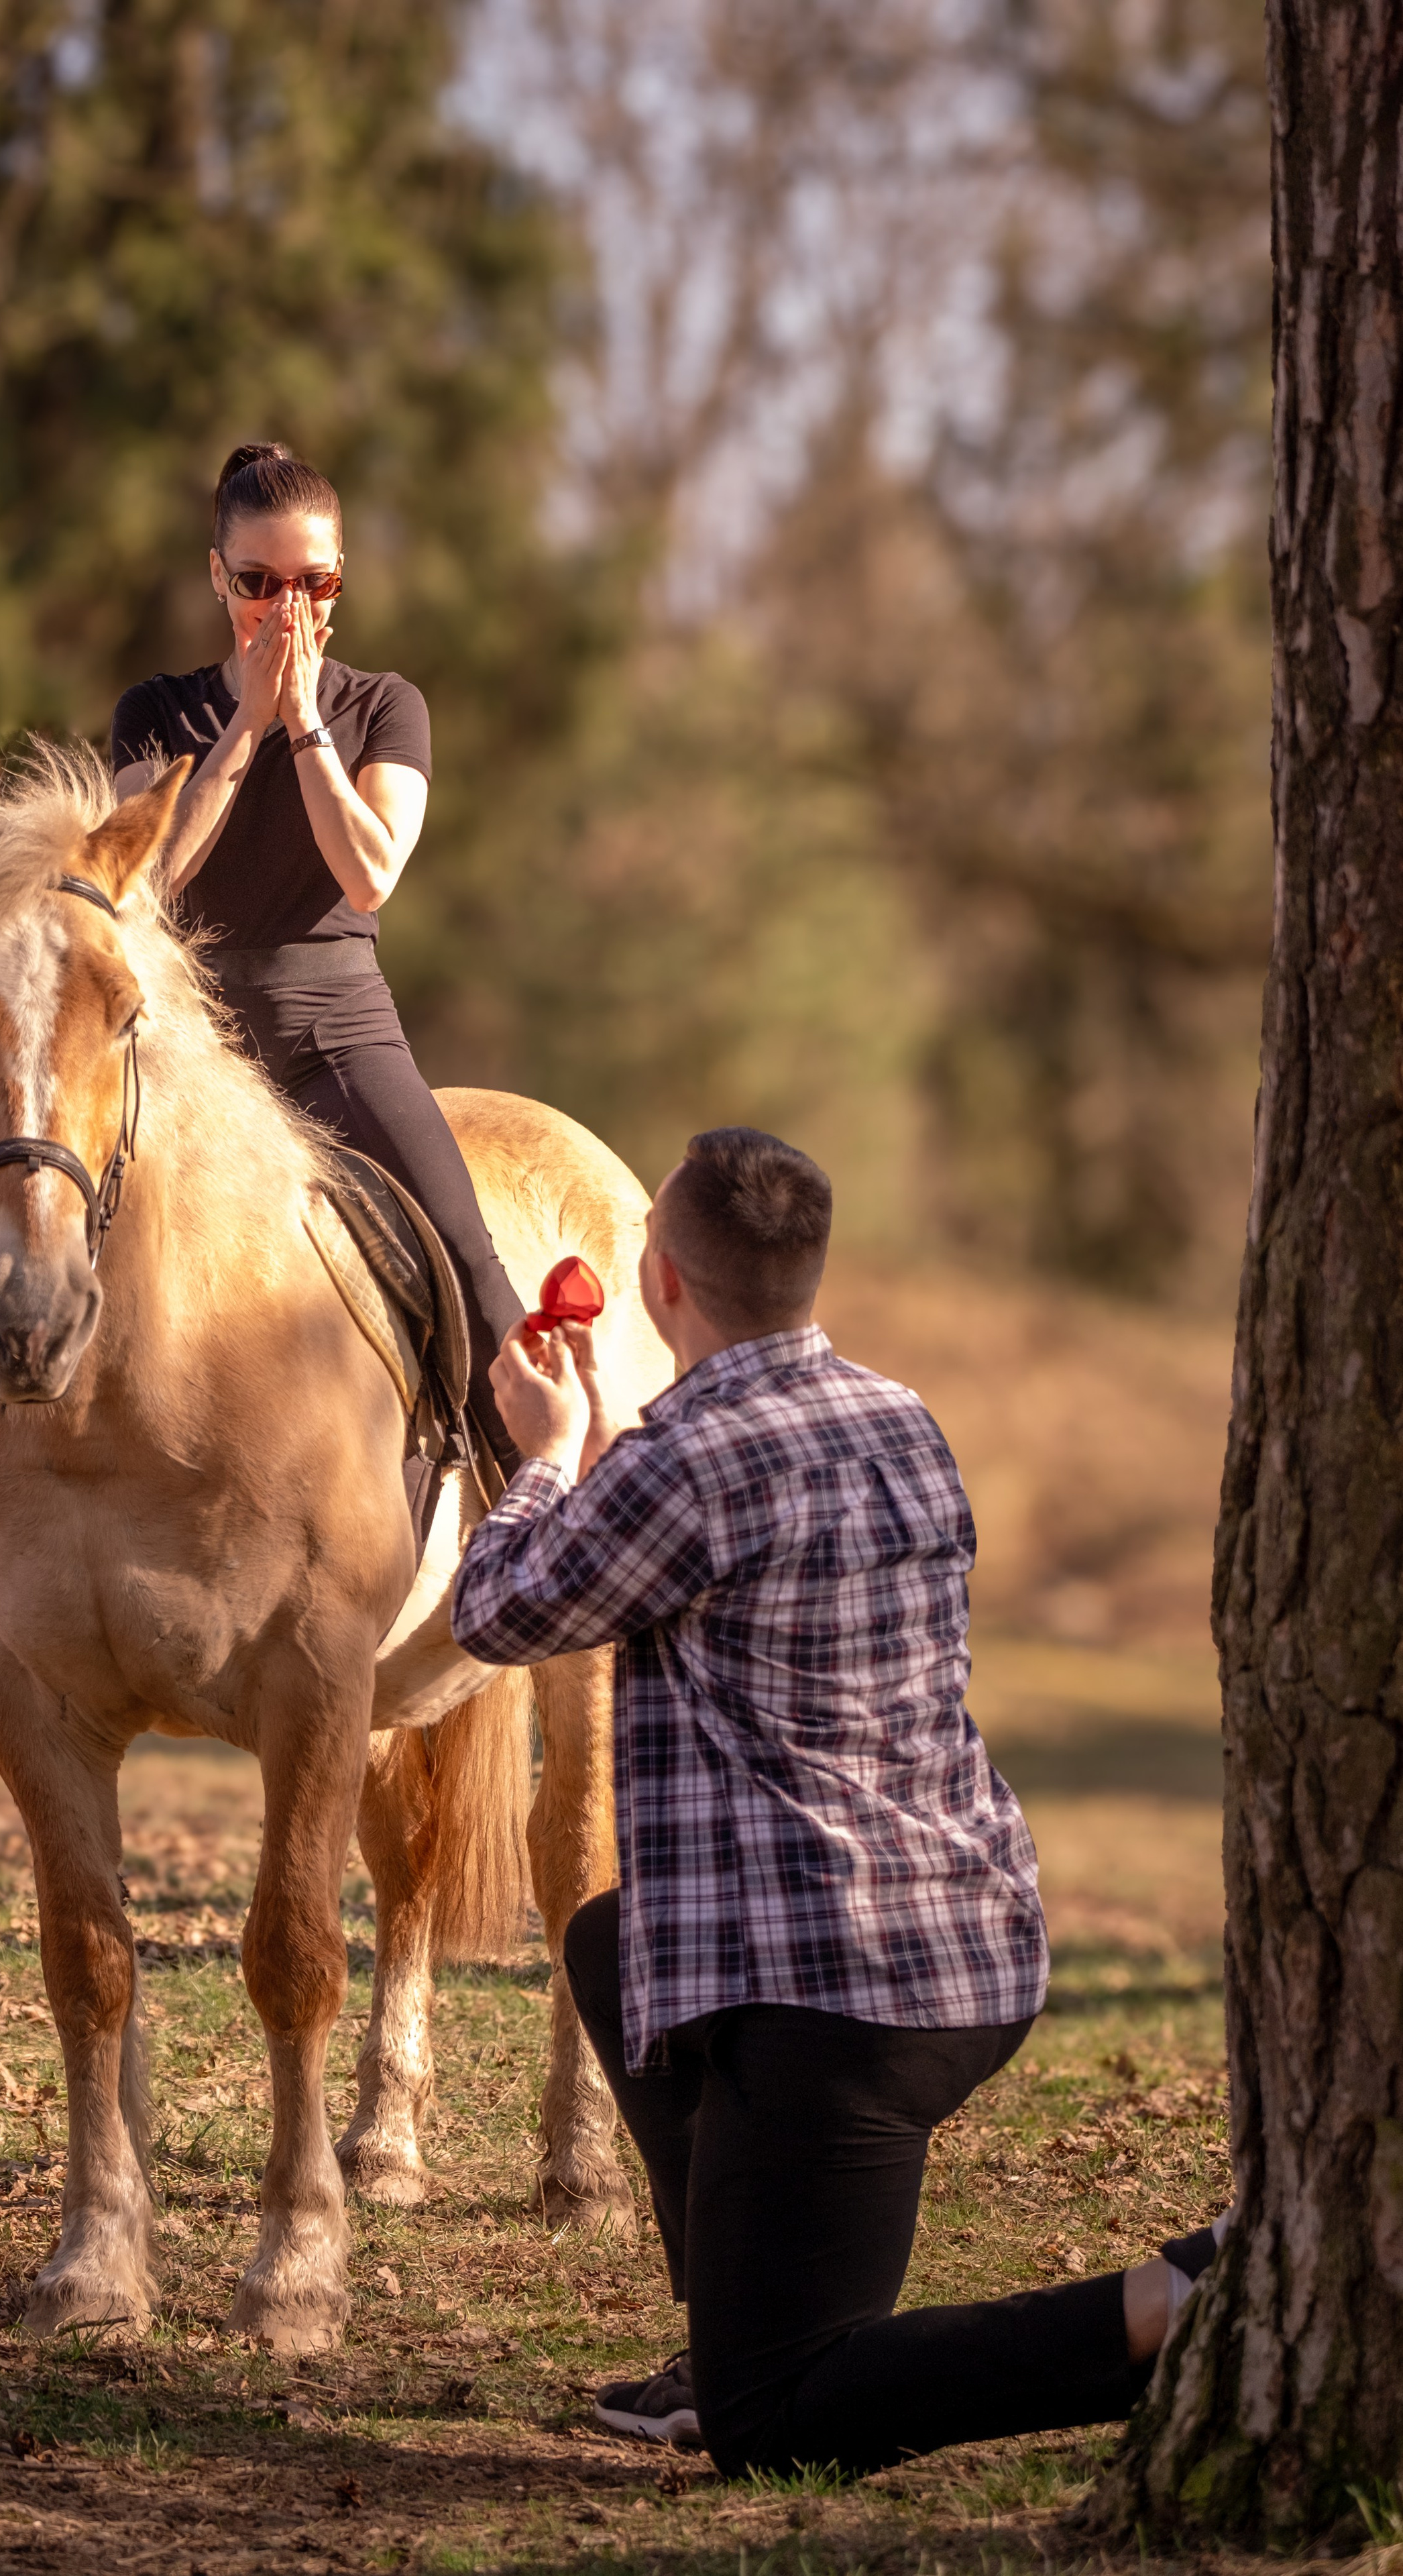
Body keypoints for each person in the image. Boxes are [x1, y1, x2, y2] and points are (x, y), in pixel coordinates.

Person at [450, 1126, 1230, 2476]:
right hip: (971, 1949)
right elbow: (717, 1561)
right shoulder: (899, 1416)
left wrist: (543, 1451)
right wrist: (600, 1469)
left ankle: (1167, 2302)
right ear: (807, 1271)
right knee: (608, 1944)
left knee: (777, 2422)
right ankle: (737, 2324)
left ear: (662, 1283)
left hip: (831, 2007)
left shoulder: (681, 1457)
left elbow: (497, 1611)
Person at [111, 439, 524, 1475]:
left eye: (316, 582)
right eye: (258, 583)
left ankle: (553, 1524)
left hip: (339, 1029)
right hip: (195, 1045)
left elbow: (370, 872)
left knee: (471, 1262)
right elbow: (150, 885)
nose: (287, 609)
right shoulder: (156, 712)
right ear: (217, 576)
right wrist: (247, 719)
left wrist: (303, 724)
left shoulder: (384, 706)